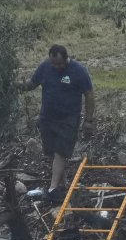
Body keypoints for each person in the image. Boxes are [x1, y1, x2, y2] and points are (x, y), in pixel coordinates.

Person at [22, 44, 95, 201]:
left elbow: (89, 94)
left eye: (59, 64)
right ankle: (62, 185)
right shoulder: (45, 67)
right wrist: (13, 86)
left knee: (61, 152)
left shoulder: (78, 71)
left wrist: (88, 120)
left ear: (66, 58)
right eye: (53, 63)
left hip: (68, 118)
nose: (56, 67)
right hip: (48, 117)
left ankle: (53, 188)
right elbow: (32, 84)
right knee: (51, 152)